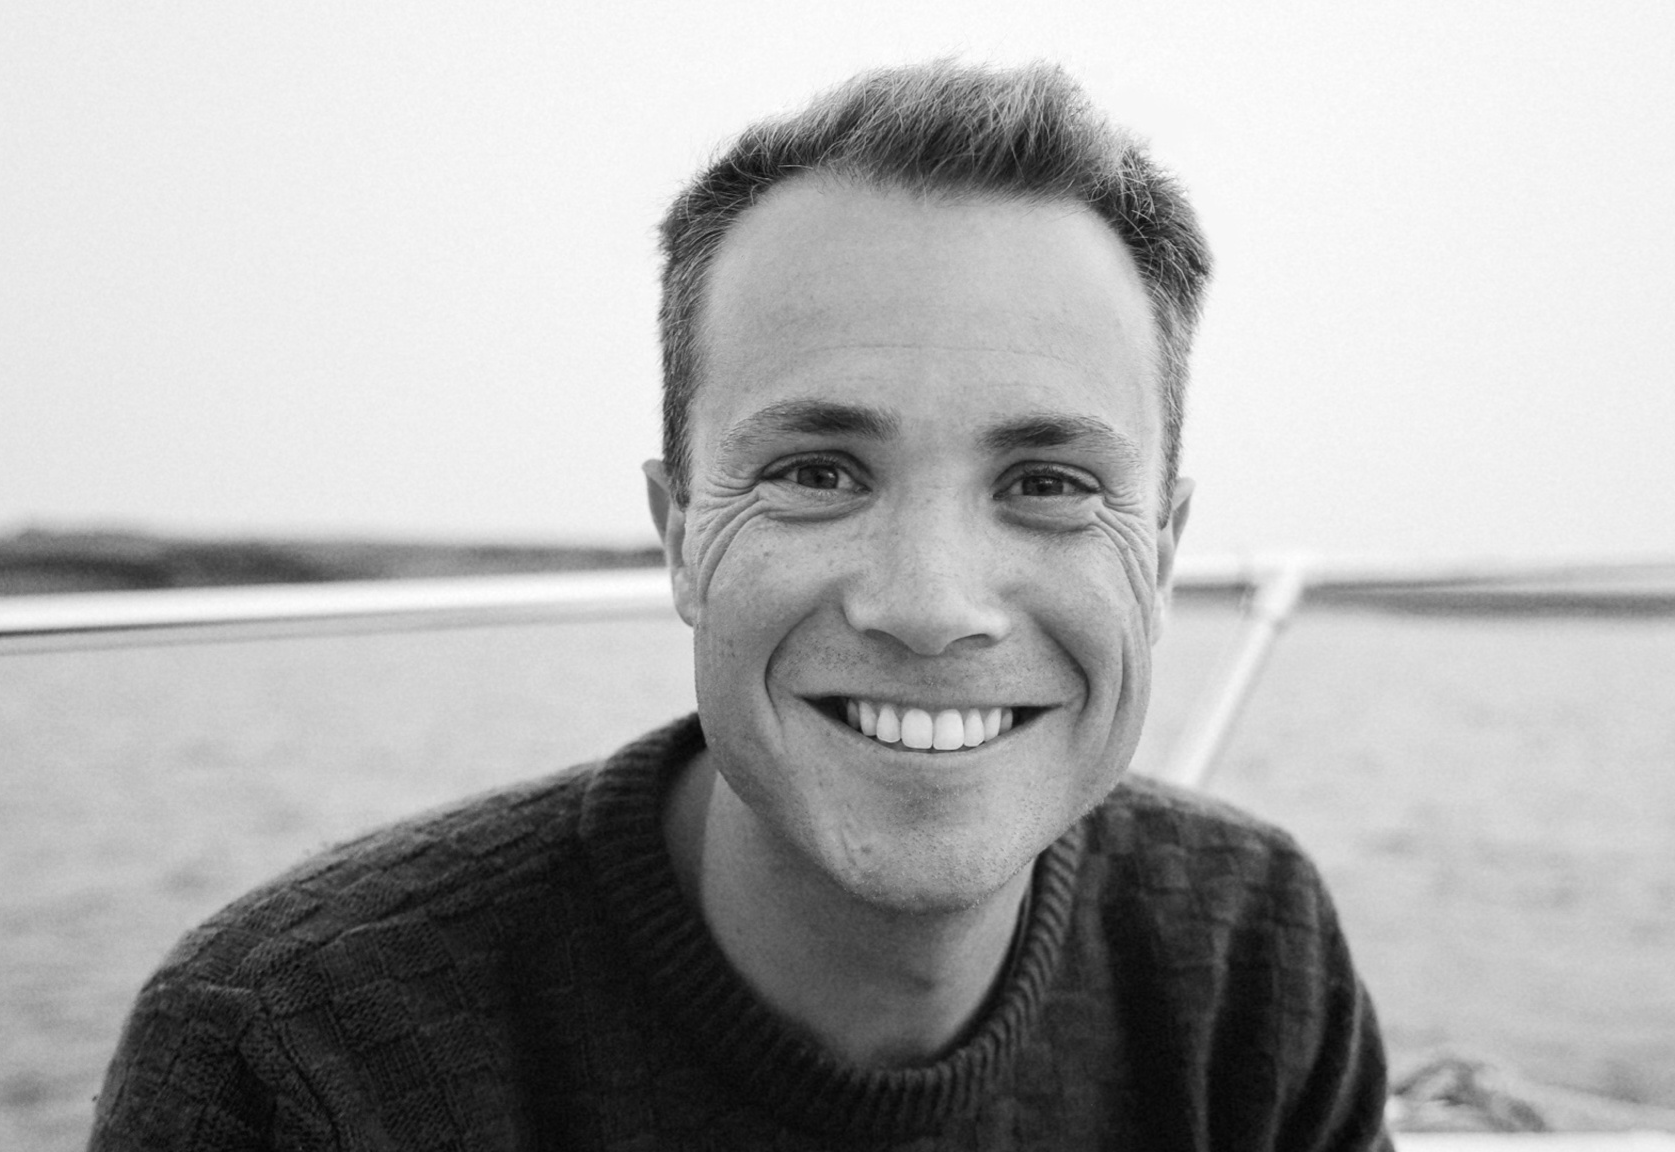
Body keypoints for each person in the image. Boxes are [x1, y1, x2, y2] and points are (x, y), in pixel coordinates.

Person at [89, 61, 1392, 1150]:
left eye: (1048, 482)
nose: (929, 606)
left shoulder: (1243, 952)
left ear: (1158, 556)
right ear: (681, 537)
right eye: (816, 473)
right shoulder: (301, 1052)